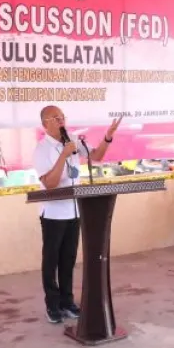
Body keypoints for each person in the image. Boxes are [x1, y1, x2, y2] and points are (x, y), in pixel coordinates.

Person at [33, 106, 122, 324]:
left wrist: (108, 137)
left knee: (69, 259)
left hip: (74, 209)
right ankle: (52, 305)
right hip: (53, 212)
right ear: (45, 124)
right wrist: (64, 155)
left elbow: (97, 156)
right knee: (52, 260)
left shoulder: (73, 140)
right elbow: (50, 184)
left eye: (62, 117)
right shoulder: (42, 149)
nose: (61, 121)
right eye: (55, 118)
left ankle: (67, 302)